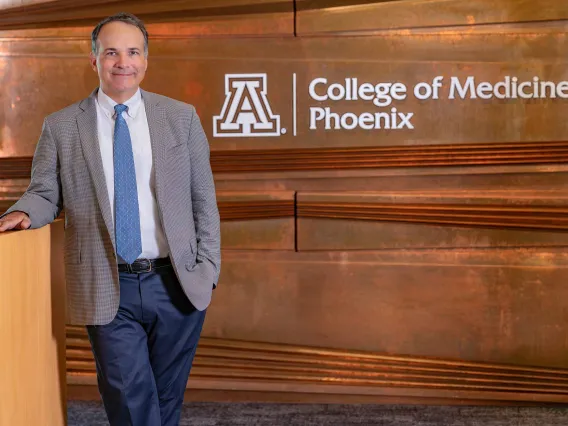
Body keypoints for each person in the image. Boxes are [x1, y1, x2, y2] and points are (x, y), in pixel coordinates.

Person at [0, 12, 221, 426]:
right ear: (94, 60)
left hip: (177, 281)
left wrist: (207, 268)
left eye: (133, 52)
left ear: (146, 60)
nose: (124, 62)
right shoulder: (63, 126)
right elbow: (46, 192)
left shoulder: (181, 118)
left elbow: (203, 200)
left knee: (166, 399)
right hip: (107, 282)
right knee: (130, 398)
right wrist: (24, 212)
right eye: (112, 52)